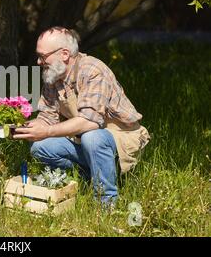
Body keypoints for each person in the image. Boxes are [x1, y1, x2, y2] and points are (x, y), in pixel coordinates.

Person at [13, 27, 150, 205]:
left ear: (64, 54)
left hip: (120, 137)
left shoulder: (92, 70)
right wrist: (22, 128)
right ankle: (88, 178)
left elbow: (90, 122)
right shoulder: (52, 74)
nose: (39, 62)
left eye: (43, 56)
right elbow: (47, 117)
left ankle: (106, 202)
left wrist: (46, 131)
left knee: (92, 138)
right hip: (83, 138)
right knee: (39, 146)